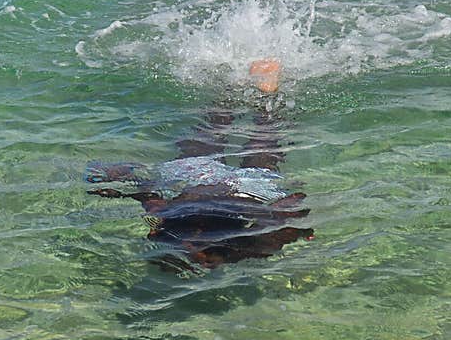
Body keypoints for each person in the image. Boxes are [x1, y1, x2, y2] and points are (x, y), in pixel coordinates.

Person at [87, 59, 313, 271]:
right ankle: (235, 87)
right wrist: (126, 183)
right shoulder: (251, 248)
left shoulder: (256, 248)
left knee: (261, 139)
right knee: (218, 133)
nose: (202, 263)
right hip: (223, 186)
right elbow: (152, 201)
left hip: (242, 189)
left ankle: (249, 91)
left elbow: (284, 217)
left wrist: (296, 221)